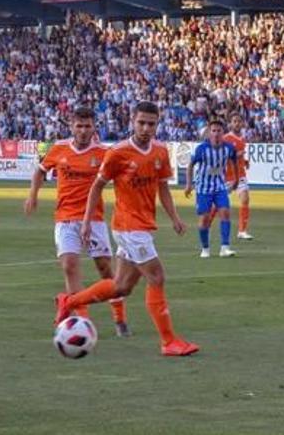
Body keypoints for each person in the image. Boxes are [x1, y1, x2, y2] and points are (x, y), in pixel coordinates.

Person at [54, 101, 199, 357]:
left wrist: (174, 217)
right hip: (128, 226)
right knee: (156, 277)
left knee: (121, 286)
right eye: (141, 122)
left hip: (143, 225)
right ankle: (168, 342)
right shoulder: (118, 153)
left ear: (157, 124)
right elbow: (97, 186)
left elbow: (163, 187)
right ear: (132, 121)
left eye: (151, 124)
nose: (145, 128)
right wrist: (87, 220)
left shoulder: (160, 152)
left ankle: (69, 301)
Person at [25, 107, 130, 337]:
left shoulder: (104, 153)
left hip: (94, 220)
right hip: (65, 219)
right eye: (79, 126)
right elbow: (40, 171)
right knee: (69, 266)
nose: (83, 131)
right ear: (71, 126)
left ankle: (119, 317)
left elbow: (123, 177)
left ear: (94, 128)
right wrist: (33, 194)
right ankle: (83, 323)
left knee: (105, 270)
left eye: (87, 126)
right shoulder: (60, 149)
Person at [185, 119, 238, 258]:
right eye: (213, 131)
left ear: (223, 133)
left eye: (219, 131)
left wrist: (236, 180)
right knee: (204, 219)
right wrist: (189, 184)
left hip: (219, 186)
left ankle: (225, 247)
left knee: (225, 212)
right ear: (209, 133)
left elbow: (234, 161)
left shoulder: (228, 148)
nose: (216, 134)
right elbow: (190, 165)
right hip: (203, 188)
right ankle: (205, 248)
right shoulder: (202, 149)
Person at [225, 113, 253, 240]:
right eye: (234, 121)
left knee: (245, 198)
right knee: (218, 205)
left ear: (242, 123)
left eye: (239, 121)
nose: (237, 123)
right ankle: (206, 225)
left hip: (240, 174)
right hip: (226, 176)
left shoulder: (242, 139)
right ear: (230, 123)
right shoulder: (226, 139)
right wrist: (236, 155)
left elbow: (239, 157)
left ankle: (242, 231)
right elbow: (222, 156)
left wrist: (244, 161)